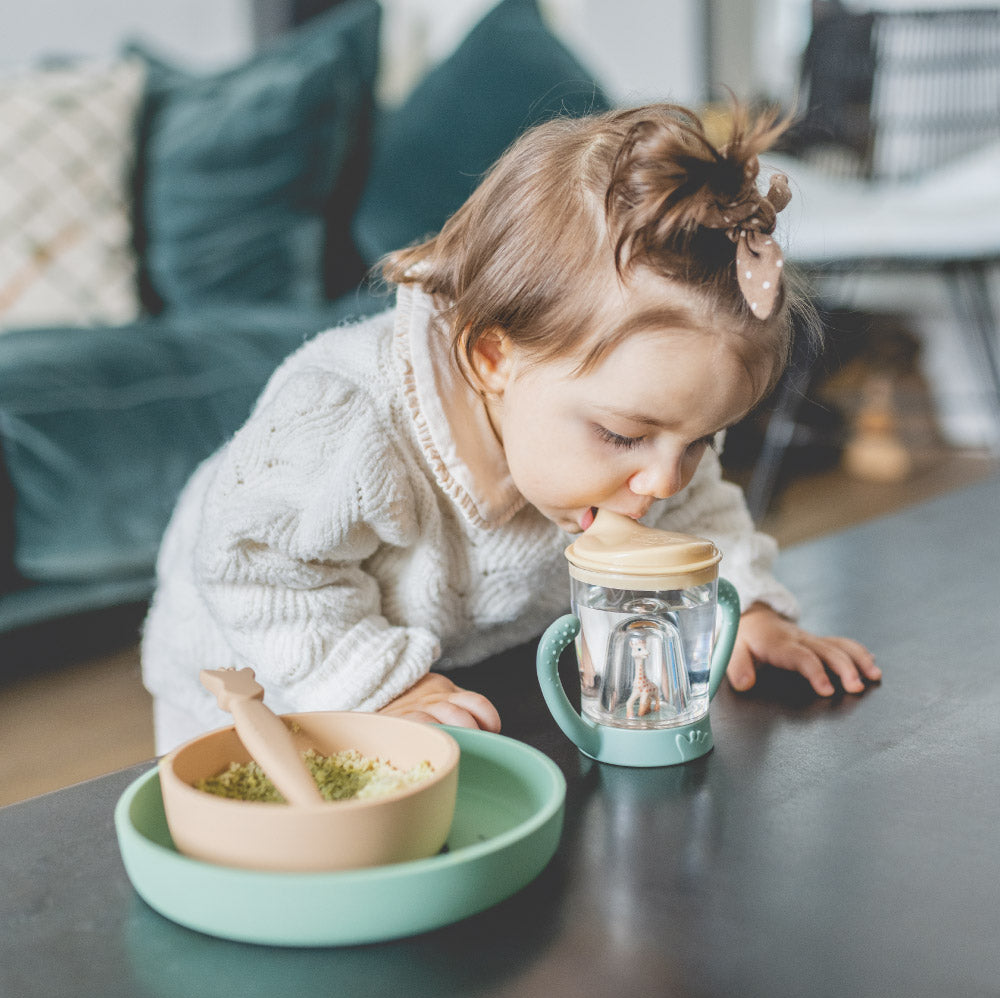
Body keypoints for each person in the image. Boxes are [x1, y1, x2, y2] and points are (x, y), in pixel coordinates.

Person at [142, 103, 880, 754]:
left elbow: (697, 515)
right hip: (249, 666)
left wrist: (744, 606)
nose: (663, 480)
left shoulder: (645, 453)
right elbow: (258, 567)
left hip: (442, 666)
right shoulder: (347, 421)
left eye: (700, 440)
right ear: (494, 356)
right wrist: (376, 687)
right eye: (626, 436)